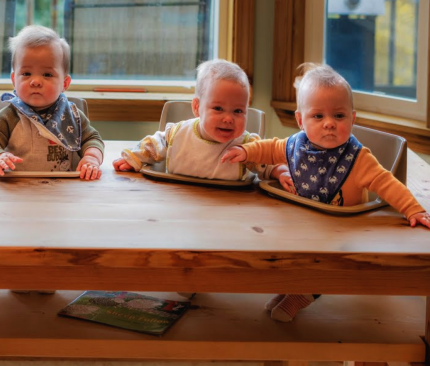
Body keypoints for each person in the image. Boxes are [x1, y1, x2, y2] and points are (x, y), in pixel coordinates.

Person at [222, 63, 430, 321]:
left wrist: (414, 209)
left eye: (339, 116)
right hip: (306, 223)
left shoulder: (359, 158)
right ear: (301, 120)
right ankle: (292, 287)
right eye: (318, 116)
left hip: (343, 233)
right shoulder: (297, 145)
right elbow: (269, 148)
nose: (329, 124)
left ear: (352, 119)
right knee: (289, 251)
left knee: (322, 263)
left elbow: (386, 182)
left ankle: (305, 294)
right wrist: (245, 152)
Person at [113, 59, 287, 186]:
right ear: (197, 107)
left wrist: (279, 171)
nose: (228, 118)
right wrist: (134, 158)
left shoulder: (246, 145)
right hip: (179, 201)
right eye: (218, 108)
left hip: (230, 208)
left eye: (238, 111)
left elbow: (265, 161)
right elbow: (152, 145)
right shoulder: (177, 134)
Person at [0, 25, 104, 181]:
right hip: (18, 187)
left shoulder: (72, 116)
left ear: (64, 83)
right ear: (13, 80)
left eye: (47, 74)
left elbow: (92, 139)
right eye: (26, 73)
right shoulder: (10, 116)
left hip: (63, 188)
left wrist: (92, 158)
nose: (36, 81)